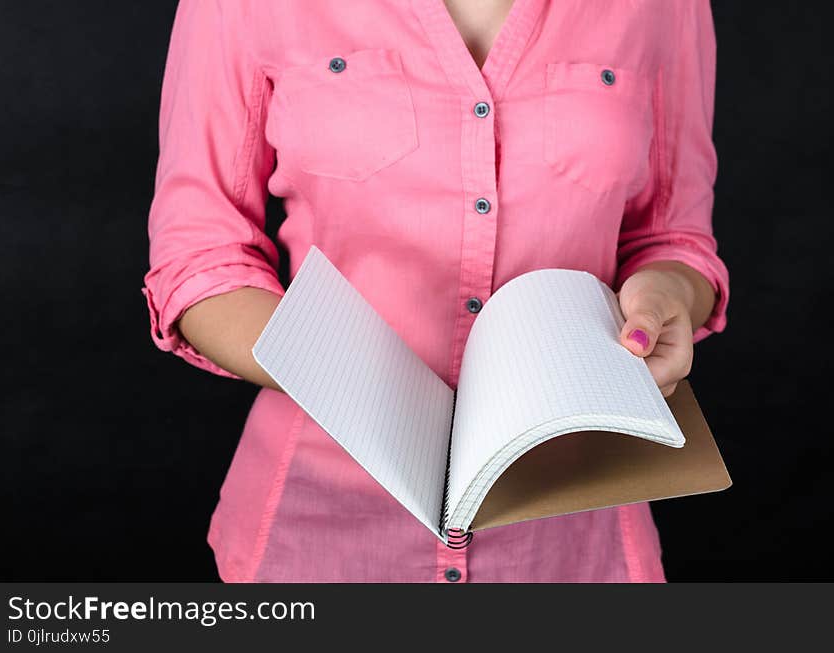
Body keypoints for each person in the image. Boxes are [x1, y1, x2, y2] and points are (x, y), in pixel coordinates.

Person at [142, 0, 729, 582]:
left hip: (576, 528)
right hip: (315, 526)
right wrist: (360, 384)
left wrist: (666, 295)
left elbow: (675, 238)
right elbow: (201, 255)